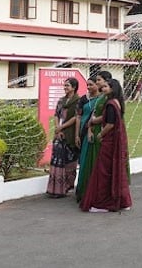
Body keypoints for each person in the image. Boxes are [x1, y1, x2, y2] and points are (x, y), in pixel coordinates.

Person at [81, 77, 132, 213]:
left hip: (109, 142)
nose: (102, 88)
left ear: (112, 89)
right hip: (115, 141)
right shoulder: (118, 102)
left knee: (103, 172)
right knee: (116, 171)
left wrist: (101, 134)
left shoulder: (110, 104)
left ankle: (102, 204)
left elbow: (110, 124)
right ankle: (121, 201)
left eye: (105, 87)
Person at [46, 77, 80, 198]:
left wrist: (62, 127)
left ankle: (67, 187)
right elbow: (56, 115)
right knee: (57, 161)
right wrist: (57, 128)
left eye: (67, 86)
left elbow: (76, 117)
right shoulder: (61, 100)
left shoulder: (78, 101)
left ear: (74, 87)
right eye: (64, 85)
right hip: (59, 134)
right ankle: (55, 189)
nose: (65, 88)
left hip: (70, 134)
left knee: (70, 162)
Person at [75, 77, 105, 203]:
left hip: (93, 133)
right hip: (82, 132)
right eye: (87, 85)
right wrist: (76, 135)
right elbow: (78, 116)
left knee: (91, 161)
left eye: (91, 85)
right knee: (82, 161)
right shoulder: (84, 99)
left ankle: (90, 191)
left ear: (97, 85)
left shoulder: (101, 100)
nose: (88, 87)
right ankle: (81, 191)